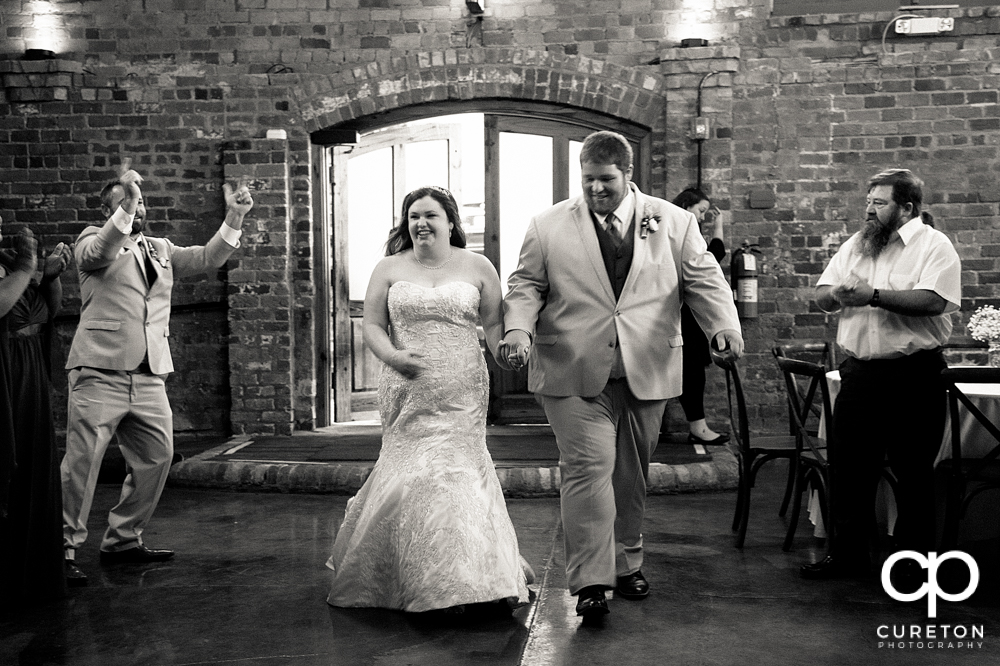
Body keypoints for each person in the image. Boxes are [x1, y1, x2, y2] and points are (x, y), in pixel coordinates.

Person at [501, 131, 742, 619]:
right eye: (587, 180)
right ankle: (591, 582)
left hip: (646, 369)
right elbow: (526, 284)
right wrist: (518, 331)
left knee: (630, 476)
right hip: (571, 367)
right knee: (588, 470)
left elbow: (704, 281)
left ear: (629, 176)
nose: (595, 190)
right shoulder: (548, 225)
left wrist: (723, 328)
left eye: (605, 181)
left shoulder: (672, 221)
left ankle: (626, 561)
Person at [325, 186, 532, 613]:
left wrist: (508, 352)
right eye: (413, 215)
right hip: (406, 385)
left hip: (462, 388)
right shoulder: (389, 267)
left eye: (430, 215)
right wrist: (393, 357)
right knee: (413, 473)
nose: (420, 222)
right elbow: (374, 326)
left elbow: (493, 324)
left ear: (450, 222)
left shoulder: (478, 265)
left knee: (456, 474)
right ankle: (414, 574)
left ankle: (473, 578)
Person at [60, 165, 253, 585]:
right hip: (99, 370)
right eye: (127, 201)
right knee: (82, 463)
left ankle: (123, 539)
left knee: (157, 457)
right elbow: (100, 253)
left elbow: (205, 258)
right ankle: (61, 548)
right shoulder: (91, 243)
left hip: (150, 373)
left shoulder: (160, 248)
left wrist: (234, 218)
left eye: (140, 200)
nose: (137, 206)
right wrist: (123, 208)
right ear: (110, 210)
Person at [804, 168, 961, 580]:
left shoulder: (934, 246)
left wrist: (872, 295)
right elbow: (822, 293)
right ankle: (848, 556)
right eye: (868, 201)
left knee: (913, 474)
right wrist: (835, 295)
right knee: (851, 470)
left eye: (879, 203)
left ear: (907, 207)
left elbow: (933, 301)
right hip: (860, 375)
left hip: (915, 376)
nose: (868, 210)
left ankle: (912, 568)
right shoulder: (858, 244)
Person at [0, 221, 73, 602]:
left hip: (27, 365)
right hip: (5, 369)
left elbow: (45, 314)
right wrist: (29, 269)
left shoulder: (7, 259)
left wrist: (49, 278)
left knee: (33, 467)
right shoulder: (16, 265)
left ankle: (32, 571)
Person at [664, 187, 729, 445]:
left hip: (687, 313)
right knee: (689, 369)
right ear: (687, 206)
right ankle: (697, 428)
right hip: (679, 312)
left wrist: (718, 223)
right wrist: (719, 225)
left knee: (691, 369)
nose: (702, 217)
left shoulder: (684, 230)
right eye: (701, 210)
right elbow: (715, 255)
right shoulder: (675, 230)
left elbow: (713, 257)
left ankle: (697, 427)